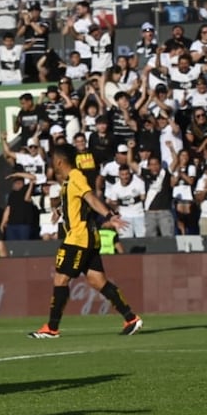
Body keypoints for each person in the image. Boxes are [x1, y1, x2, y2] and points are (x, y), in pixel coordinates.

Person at [30, 145, 143, 339]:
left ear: (59, 161)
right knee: (97, 280)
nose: (51, 164)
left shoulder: (76, 177)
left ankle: (52, 327)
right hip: (87, 237)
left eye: (52, 160)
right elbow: (78, 203)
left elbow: (90, 198)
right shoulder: (69, 181)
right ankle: (131, 318)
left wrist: (109, 214)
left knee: (61, 279)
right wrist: (61, 211)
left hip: (78, 238)